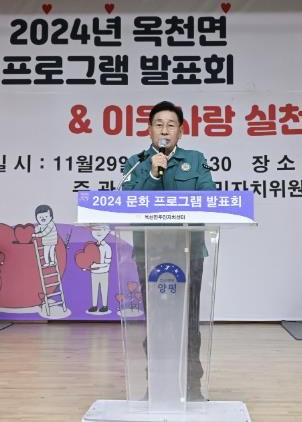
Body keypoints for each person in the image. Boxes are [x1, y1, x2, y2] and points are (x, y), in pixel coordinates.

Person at [121, 100, 216, 401]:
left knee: (189, 325)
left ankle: (192, 389)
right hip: (150, 254)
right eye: (159, 124)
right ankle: (157, 388)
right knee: (156, 324)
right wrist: (152, 175)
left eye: (171, 125)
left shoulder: (196, 160)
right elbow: (127, 203)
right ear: (149, 130)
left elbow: (209, 197)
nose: (164, 130)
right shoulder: (136, 163)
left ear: (180, 132)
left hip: (190, 251)